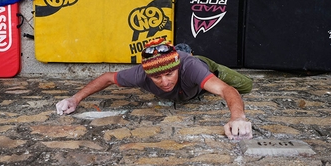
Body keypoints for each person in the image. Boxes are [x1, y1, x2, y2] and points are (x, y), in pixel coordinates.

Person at [56, 38, 253, 140]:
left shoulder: (190, 68)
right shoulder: (139, 74)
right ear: (148, 75)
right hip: (185, 85)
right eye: (157, 77)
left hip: (206, 68)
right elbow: (108, 78)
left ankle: (187, 52)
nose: (165, 81)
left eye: (169, 74)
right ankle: (181, 47)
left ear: (177, 68)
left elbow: (228, 90)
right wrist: (75, 99)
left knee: (245, 85)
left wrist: (237, 117)